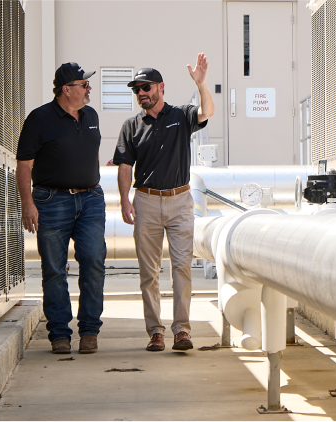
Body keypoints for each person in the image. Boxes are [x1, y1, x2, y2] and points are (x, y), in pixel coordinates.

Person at [113, 53, 215, 351]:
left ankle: (181, 330)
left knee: (182, 267)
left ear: (160, 87)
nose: (141, 94)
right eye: (136, 90)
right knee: (149, 272)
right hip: (145, 201)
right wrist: (124, 200)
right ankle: (155, 331)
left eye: (145, 87)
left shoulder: (181, 115)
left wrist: (201, 84)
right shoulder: (131, 126)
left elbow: (207, 112)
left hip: (180, 201)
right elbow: (124, 167)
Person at [16, 62, 106, 354]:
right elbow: (24, 166)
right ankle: (59, 334)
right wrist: (27, 203)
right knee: (54, 269)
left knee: (93, 261)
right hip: (51, 201)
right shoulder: (39, 119)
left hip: (91, 199)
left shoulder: (90, 115)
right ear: (67, 90)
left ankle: (90, 331)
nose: (88, 88)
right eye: (83, 84)